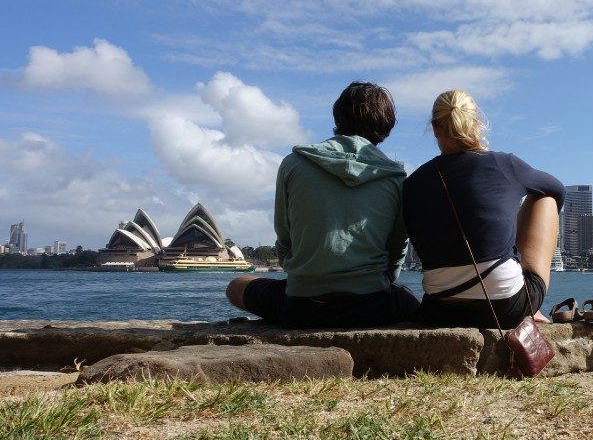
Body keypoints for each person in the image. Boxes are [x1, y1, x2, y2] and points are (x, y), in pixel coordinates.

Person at [226, 82, 419, 327]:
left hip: (302, 306)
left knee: (236, 287)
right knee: (412, 303)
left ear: (338, 115)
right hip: (371, 305)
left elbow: (285, 240)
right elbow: (395, 254)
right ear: (386, 125)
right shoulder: (396, 179)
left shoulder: (293, 164)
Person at [403, 90, 564, 328]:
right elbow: (556, 189)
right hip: (507, 308)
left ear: (435, 129)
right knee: (545, 198)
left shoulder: (412, 184)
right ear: (476, 123)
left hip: (439, 309)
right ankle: (531, 307)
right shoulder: (504, 164)